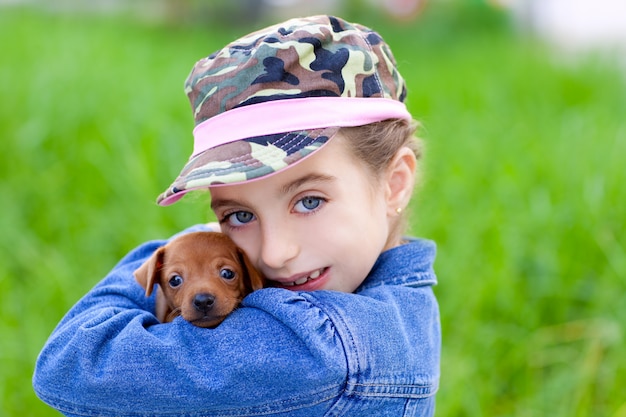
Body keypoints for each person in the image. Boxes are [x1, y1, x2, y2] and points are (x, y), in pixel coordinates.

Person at [33, 15, 441, 416]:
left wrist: (185, 248)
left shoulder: (321, 349)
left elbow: (70, 363)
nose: (276, 253)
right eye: (239, 216)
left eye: (309, 201)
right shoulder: (401, 308)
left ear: (394, 184)